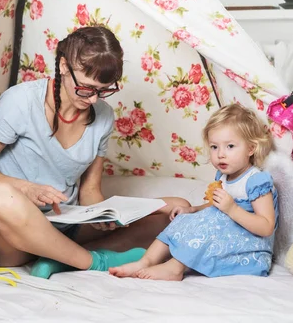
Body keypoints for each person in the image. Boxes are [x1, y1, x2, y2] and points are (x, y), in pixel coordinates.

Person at [0, 26, 190, 279]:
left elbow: (90, 190)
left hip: (67, 224)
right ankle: (92, 261)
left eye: (104, 90)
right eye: (86, 88)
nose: (93, 100)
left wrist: (102, 216)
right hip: (16, 233)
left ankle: (62, 259)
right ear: (62, 66)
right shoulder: (20, 102)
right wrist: (26, 188)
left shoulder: (103, 116)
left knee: (176, 209)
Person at [110, 103, 278, 281]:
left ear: (251, 148)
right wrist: (193, 210)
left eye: (230, 146)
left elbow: (266, 226)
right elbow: (215, 206)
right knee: (186, 218)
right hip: (225, 233)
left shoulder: (255, 181)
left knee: (214, 219)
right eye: (214, 147)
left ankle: (175, 267)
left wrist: (232, 210)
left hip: (249, 246)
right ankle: (146, 261)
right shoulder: (223, 176)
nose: (220, 154)